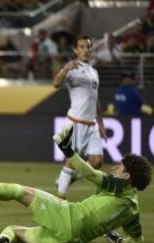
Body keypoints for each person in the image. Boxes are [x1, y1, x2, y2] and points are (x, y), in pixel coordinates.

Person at [0, 124, 152, 243]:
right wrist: (118, 240)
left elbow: (91, 173)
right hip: (73, 241)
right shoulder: (133, 210)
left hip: (68, 217)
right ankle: (1, 239)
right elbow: (136, 241)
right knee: (14, 230)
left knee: (18, 190)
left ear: (127, 176)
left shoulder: (121, 186)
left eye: (120, 167)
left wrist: (68, 150)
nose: (115, 167)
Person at [52, 35, 106, 199]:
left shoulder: (94, 72)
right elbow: (55, 83)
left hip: (92, 125)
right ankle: (60, 198)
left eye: (88, 47)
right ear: (75, 50)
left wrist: (101, 124)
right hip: (75, 123)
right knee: (70, 162)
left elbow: (94, 99)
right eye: (82, 47)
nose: (86, 50)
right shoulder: (72, 69)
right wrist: (65, 68)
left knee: (97, 162)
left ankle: (68, 180)